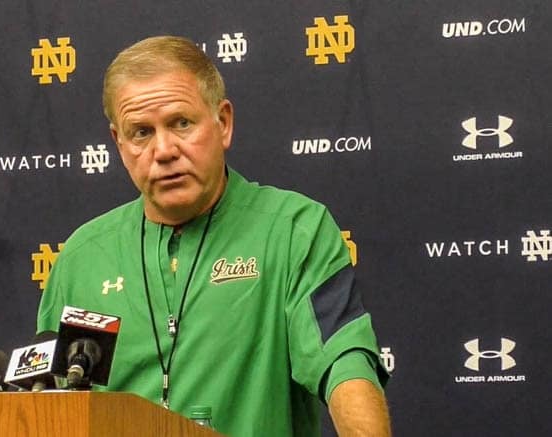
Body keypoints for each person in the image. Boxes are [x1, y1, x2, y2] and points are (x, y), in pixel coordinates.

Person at [37, 35, 391, 436]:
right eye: (141, 132)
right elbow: (49, 405)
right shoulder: (84, 255)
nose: (164, 149)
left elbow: (343, 361)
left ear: (223, 123)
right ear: (119, 144)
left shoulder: (294, 229)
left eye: (181, 123)